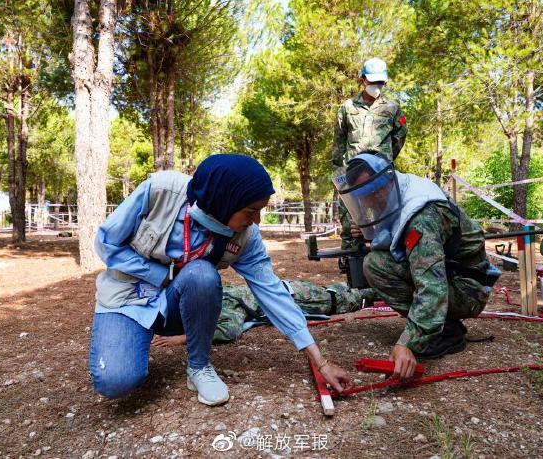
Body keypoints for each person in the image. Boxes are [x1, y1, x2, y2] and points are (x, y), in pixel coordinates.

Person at [89, 154, 352, 406]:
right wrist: (160, 275)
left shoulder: (247, 238)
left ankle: (199, 367)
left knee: (202, 274)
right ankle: (130, 337)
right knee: (115, 382)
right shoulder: (161, 192)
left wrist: (321, 362)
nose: (256, 221)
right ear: (222, 201)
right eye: (250, 212)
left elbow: (273, 293)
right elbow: (106, 242)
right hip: (128, 298)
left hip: (175, 304)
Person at [333, 152, 499, 379]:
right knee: (376, 264)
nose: (368, 203)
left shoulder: (421, 216)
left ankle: (443, 334)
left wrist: (408, 343)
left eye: (371, 194)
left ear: (386, 183)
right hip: (451, 277)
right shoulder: (401, 189)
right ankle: (440, 326)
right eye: (362, 198)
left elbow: (432, 287)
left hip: (467, 290)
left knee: (376, 267)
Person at [152, 280, 376, 347]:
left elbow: (229, 330)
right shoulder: (213, 295)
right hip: (284, 291)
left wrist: (182, 339)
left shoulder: (224, 305)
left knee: (343, 299)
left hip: (296, 297)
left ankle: (379, 292)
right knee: (345, 293)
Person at [331, 57, 407, 249]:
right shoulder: (347, 108)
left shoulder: (392, 108)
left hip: (381, 173)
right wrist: (339, 169)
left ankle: (385, 254)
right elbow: (339, 139)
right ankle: (351, 256)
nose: (376, 86)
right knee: (351, 216)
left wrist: (385, 160)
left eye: (380, 82)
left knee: (386, 214)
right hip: (353, 172)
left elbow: (399, 137)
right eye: (372, 81)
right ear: (362, 80)